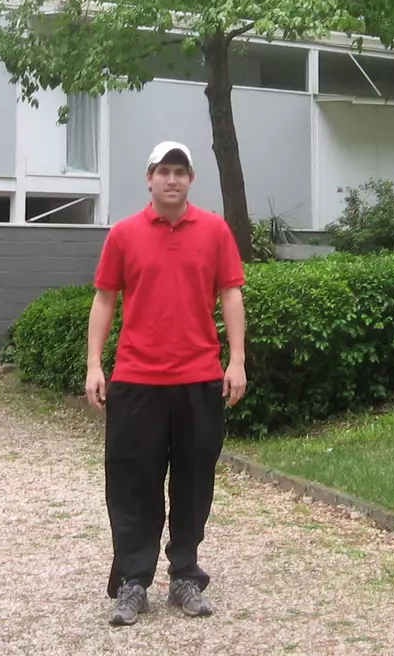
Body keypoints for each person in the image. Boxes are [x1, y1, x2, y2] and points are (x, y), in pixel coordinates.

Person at [86, 141, 247, 627]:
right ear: (149, 178)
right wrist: (95, 364)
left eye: (180, 171)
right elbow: (104, 301)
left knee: (194, 481)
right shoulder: (124, 234)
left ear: (191, 180)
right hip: (136, 381)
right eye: (163, 171)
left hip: (199, 378)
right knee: (133, 482)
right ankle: (133, 581)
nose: (172, 179)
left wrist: (236, 360)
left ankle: (185, 575)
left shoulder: (215, 230)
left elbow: (231, 295)